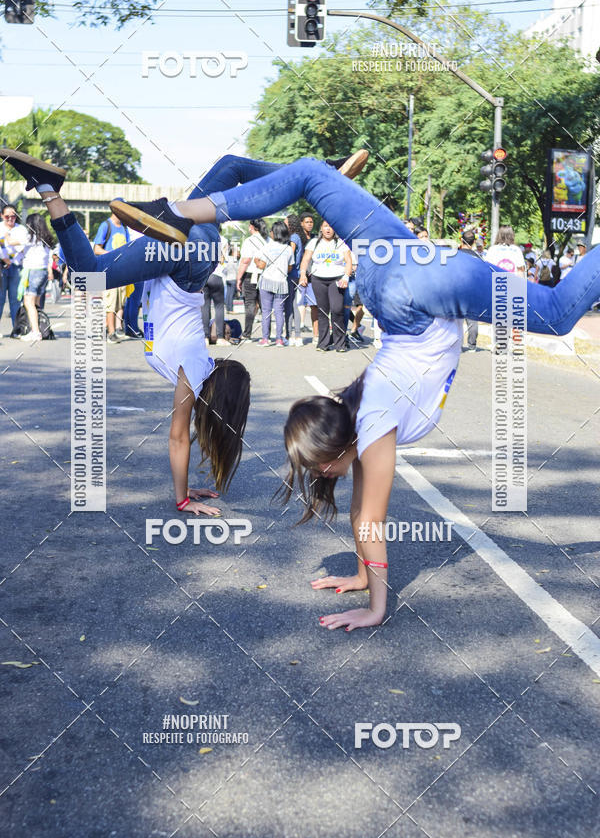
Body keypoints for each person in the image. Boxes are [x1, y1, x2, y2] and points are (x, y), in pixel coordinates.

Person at [108, 153, 600, 632]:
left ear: (336, 451)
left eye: (321, 468)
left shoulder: (372, 423)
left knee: (555, 314)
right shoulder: (356, 412)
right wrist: (363, 576)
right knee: (308, 175)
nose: (324, 475)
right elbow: (364, 510)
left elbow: (371, 520)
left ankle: (178, 215)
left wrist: (375, 608)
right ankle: (181, 211)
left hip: (423, 291)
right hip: (388, 264)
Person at [1, 148, 265, 514]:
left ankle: (316, 174)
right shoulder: (194, 371)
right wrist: (183, 499)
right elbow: (177, 438)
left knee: (230, 166)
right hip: (186, 259)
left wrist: (187, 483)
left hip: (196, 239)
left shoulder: (197, 366)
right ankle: (52, 189)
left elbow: (180, 441)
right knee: (88, 273)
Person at [299, 220, 352, 352]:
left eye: (331, 227)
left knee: (337, 309)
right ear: (321, 229)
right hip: (319, 279)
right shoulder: (314, 242)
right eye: (325, 226)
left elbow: (349, 261)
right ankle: (323, 343)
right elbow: (305, 260)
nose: (328, 229)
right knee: (322, 311)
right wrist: (303, 275)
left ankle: (340, 343)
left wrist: (346, 277)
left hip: (337, 279)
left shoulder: (341, 243)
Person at [93, 203, 131, 343]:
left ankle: (117, 328)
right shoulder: (106, 226)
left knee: (120, 302)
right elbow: (97, 249)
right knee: (110, 303)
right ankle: (111, 333)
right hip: (109, 270)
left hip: (122, 270)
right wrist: (114, 255)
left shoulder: (124, 227)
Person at [256, 219, 294, 347]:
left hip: (267, 281)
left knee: (266, 311)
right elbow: (290, 268)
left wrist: (256, 261)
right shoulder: (288, 249)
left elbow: (261, 265)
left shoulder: (267, 247)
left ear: (274, 233)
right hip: (281, 283)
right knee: (279, 311)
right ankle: (279, 339)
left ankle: (265, 339)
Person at [19, 213, 54, 341]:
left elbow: (14, 243)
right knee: (37, 303)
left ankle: (35, 332)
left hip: (33, 272)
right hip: (43, 272)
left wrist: (6, 237)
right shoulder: (46, 239)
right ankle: (38, 328)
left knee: (28, 302)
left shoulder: (30, 238)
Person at [236, 218, 269, 340]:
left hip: (250, 275)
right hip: (265, 275)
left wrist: (239, 278)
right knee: (264, 305)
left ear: (252, 227)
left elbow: (245, 261)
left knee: (250, 304)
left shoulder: (249, 241)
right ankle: (267, 334)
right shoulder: (267, 240)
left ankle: (247, 333)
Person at [0, 203, 29, 330]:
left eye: (13, 216)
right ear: (2, 216)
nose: (10, 219)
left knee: (15, 299)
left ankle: (17, 329)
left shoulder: (22, 229)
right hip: (1, 267)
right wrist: (4, 258)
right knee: (0, 299)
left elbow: (23, 248)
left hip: (17, 267)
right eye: (7, 217)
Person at [284, 213, 305, 346]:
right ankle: (295, 334)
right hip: (296, 274)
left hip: (291, 274)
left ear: (291, 224)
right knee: (293, 304)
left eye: (286, 223)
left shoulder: (293, 237)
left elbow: (290, 255)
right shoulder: (298, 236)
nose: (284, 225)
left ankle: (291, 334)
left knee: (290, 305)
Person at [459, 229, 480, 351]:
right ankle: (472, 345)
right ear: (473, 242)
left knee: (458, 321)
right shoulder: (478, 257)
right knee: (472, 320)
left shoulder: (455, 255)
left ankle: (458, 344)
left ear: (462, 240)